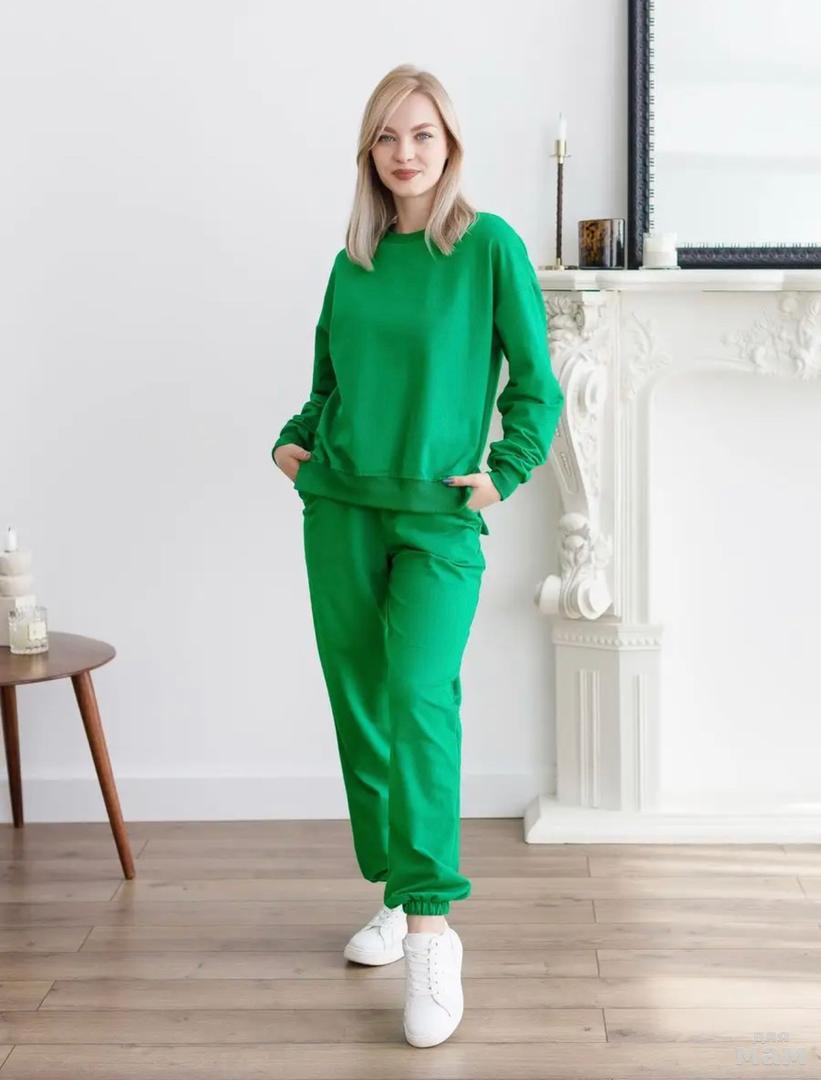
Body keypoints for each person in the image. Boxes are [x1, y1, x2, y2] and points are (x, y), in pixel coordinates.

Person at [272, 63, 564, 1048]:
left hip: (436, 518)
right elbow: (327, 380)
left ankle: (433, 929)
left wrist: (504, 469)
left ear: (450, 146)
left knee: (418, 699)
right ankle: (396, 894)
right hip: (339, 507)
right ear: (369, 152)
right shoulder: (352, 259)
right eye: (388, 137)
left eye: (423, 135)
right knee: (361, 705)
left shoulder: (486, 246)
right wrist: (294, 440)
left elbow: (536, 382)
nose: (405, 153)